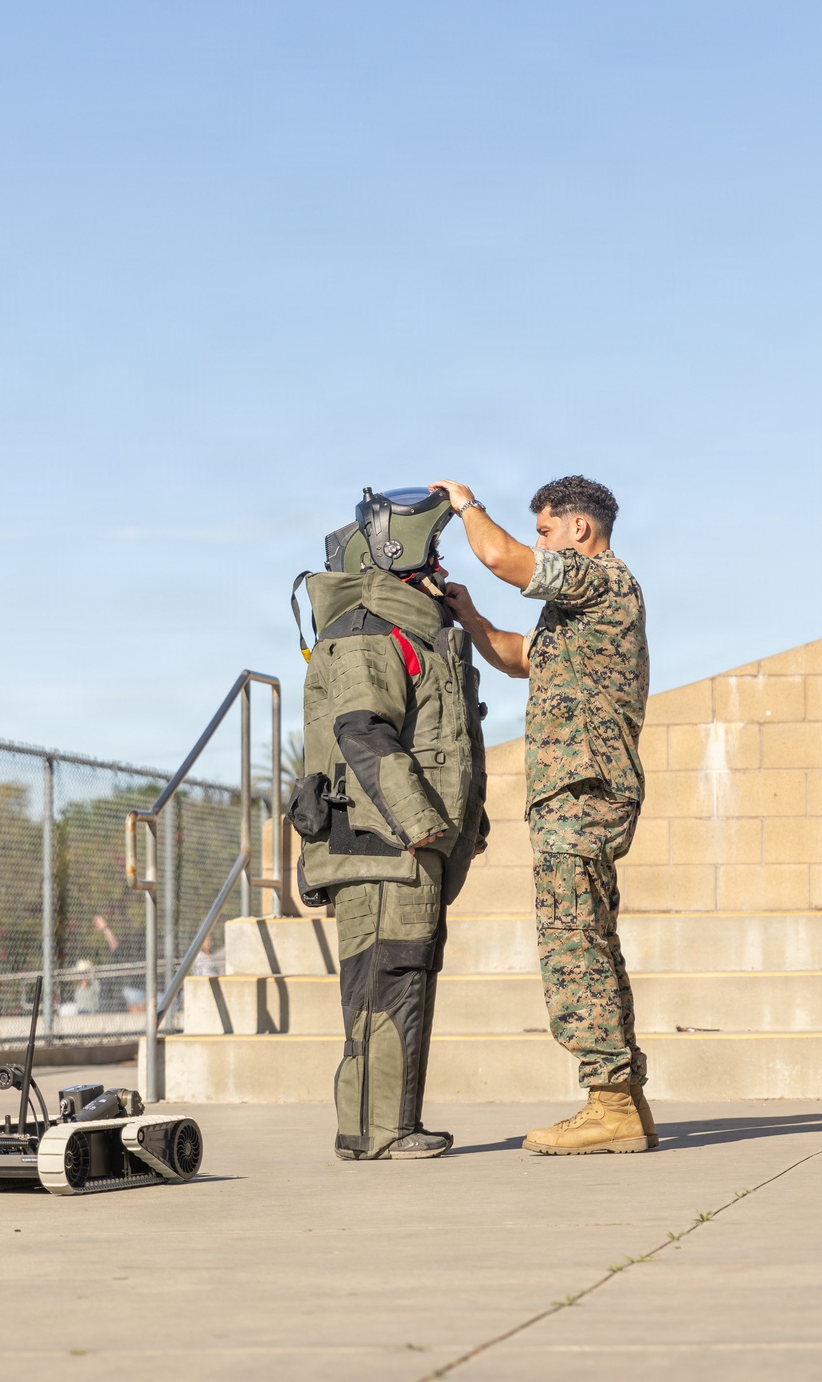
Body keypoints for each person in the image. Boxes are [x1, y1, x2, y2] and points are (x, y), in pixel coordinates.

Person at [429, 474, 656, 1154]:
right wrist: (467, 614)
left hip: (583, 788)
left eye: (546, 529)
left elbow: (501, 557)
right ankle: (623, 1100)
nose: (539, 541)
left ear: (578, 530)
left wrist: (465, 505)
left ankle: (610, 1103)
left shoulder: (602, 579)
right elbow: (518, 656)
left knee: (573, 945)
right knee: (589, 939)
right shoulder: (576, 611)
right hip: (574, 791)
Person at [290, 487, 488, 1160]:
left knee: (400, 982)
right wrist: (422, 821)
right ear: (394, 552)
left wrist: (465, 822)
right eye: (431, 552)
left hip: (403, 848)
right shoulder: (370, 629)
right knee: (384, 982)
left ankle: (379, 1126)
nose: (439, 566)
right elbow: (361, 730)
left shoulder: (410, 629)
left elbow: (444, 739)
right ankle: (380, 1130)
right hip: (381, 847)